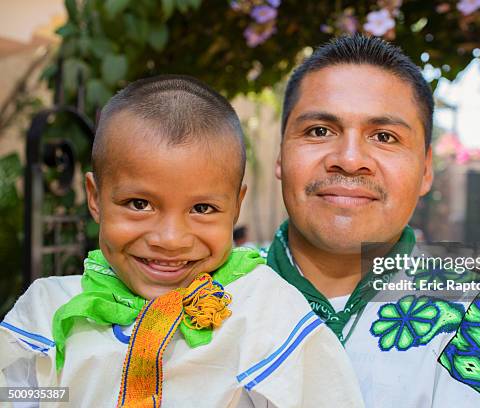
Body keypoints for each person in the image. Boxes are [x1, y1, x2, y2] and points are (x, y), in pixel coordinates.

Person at [0, 76, 364, 408]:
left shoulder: (264, 309)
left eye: (202, 208)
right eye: (139, 205)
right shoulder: (48, 312)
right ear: (95, 198)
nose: (171, 240)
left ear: (236, 207)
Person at [267, 35, 480, 407]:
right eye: (319, 131)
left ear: (426, 170)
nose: (348, 158)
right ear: (280, 154)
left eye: (384, 136)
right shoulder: (200, 301)